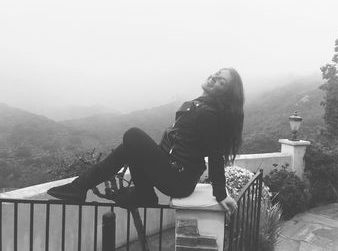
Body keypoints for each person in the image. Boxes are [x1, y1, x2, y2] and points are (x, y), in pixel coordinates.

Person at [47, 67, 244, 215]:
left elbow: (216, 154)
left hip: (178, 178)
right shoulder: (200, 106)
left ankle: (82, 188)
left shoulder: (209, 114)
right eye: (217, 74)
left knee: (133, 134)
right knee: (128, 148)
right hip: (171, 170)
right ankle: (83, 188)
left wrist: (221, 194)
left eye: (222, 81)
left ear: (226, 93)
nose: (215, 77)